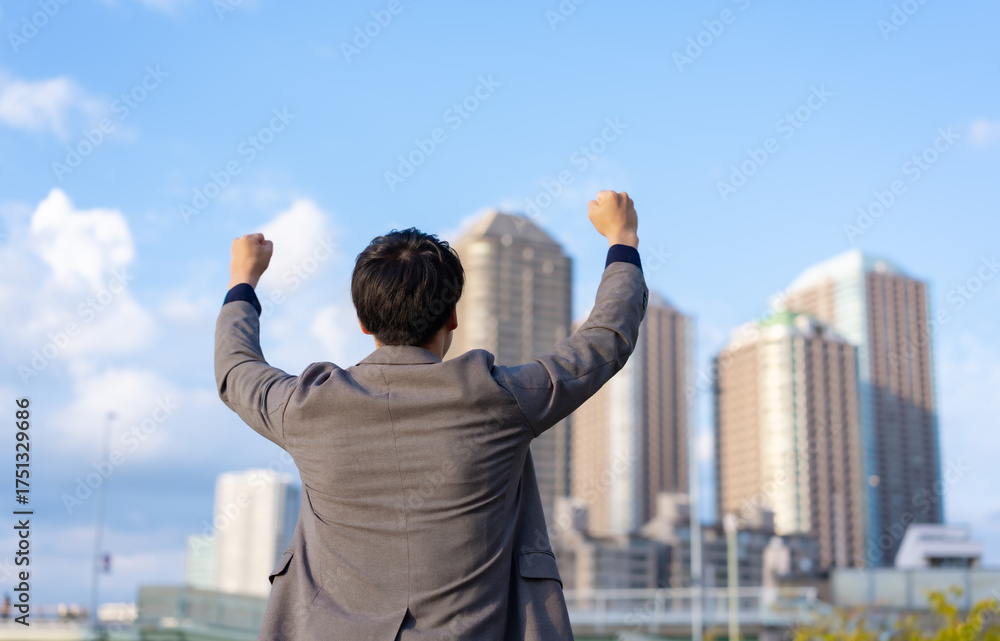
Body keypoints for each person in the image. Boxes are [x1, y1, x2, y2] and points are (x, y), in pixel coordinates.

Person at [215, 190, 648, 639]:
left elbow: (235, 368)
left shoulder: (305, 407)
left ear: (364, 323)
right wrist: (622, 239)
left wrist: (243, 281)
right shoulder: (500, 398)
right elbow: (605, 339)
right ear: (452, 317)